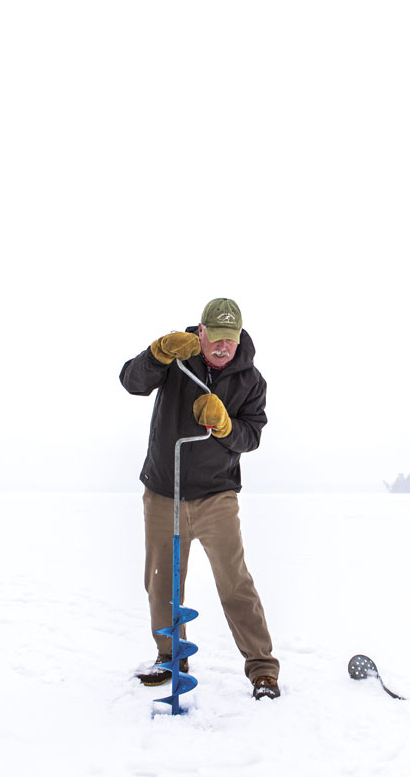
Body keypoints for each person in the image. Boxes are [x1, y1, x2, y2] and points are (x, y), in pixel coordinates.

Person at [119, 298, 281, 700]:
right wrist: (157, 354)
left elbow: (252, 436)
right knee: (161, 584)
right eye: (216, 338)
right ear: (200, 332)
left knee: (235, 583)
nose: (223, 347)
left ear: (239, 337)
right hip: (163, 491)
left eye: (231, 339)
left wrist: (225, 425)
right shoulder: (177, 359)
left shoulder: (251, 381)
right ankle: (170, 657)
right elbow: (131, 382)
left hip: (216, 496)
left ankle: (262, 669)